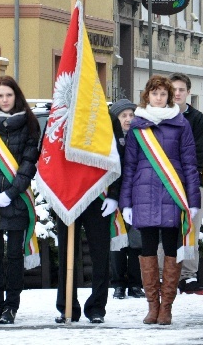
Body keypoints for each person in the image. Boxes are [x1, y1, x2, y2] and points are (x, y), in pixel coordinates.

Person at [119, 75, 201, 325]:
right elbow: (129, 166)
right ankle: (152, 306)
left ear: (169, 97)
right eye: (154, 93)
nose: (159, 97)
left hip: (172, 194)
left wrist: (194, 200)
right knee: (147, 250)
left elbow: (189, 164)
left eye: (163, 94)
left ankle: (167, 306)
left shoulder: (181, 124)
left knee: (171, 248)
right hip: (143, 195)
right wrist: (126, 203)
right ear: (147, 95)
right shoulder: (137, 126)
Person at [0, 76, 40, 325]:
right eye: (0, 96)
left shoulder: (30, 125)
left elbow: (28, 163)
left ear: (16, 96)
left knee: (13, 255)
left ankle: (11, 307)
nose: (4, 100)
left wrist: (10, 194)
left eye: (8, 95)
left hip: (17, 199)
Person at [53, 106, 125, 324]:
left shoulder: (106, 116)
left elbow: (118, 156)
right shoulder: (61, 113)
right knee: (67, 252)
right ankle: (67, 307)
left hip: (98, 194)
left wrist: (114, 194)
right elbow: (49, 153)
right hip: (68, 194)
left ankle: (96, 308)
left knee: (100, 254)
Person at [170, 73, 203, 295]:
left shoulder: (196, 118)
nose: (177, 93)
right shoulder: (161, 116)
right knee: (165, 226)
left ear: (188, 93)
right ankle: (165, 273)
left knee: (190, 227)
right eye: (173, 89)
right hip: (166, 180)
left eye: (181, 90)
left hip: (191, 180)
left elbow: (198, 151)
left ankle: (187, 275)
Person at [108, 99, 145, 300]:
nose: (128, 119)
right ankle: (118, 284)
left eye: (132, 115)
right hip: (115, 195)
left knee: (136, 241)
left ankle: (135, 284)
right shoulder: (109, 139)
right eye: (124, 116)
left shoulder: (141, 138)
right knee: (118, 240)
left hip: (136, 196)